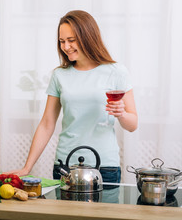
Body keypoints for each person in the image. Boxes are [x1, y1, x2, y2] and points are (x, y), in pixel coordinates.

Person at [8, 10, 138, 183]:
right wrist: (27, 167)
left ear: (88, 37)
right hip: (65, 165)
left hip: (105, 167)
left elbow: (132, 125)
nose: (65, 46)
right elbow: (47, 124)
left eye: (71, 40)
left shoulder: (116, 72)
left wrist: (121, 113)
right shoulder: (59, 75)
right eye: (62, 41)